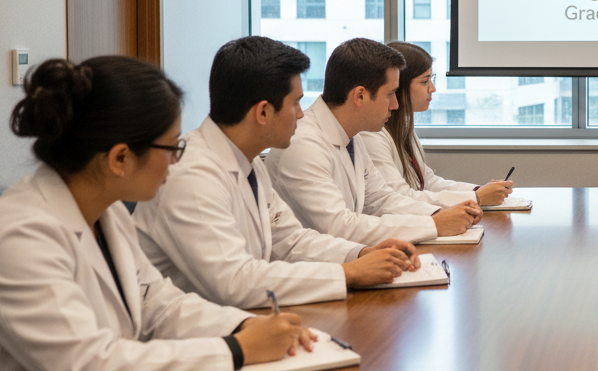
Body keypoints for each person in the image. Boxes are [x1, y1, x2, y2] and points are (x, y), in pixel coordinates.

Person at [0, 56, 312, 371]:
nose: (177, 161)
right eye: (172, 147)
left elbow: (158, 304)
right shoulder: (22, 233)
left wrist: (245, 325)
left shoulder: (106, 210)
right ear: (119, 158)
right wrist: (236, 350)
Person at [134, 37, 422, 310]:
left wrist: (359, 255)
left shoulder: (247, 161)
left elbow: (291, 240)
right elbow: (234, 282)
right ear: (263, 113)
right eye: (295, 103)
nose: (301, 114)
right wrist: (347, 273)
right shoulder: (192, 175)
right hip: (188, 336)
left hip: (236, 318)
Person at [266, 38, 480, 245]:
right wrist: (433, 224)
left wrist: (439, 214)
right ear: (360, 96)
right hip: (311, 270)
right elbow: (340, 225)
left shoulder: (352, 136)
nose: (395, 105)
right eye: (391, 94)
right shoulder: (303, 144)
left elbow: (382, 199)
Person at [360, 41, 513, 208]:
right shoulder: (372, 135)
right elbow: (399, 197)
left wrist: (479, 191)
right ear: (399, 85)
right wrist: (476, 197)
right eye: (425, 81)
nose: (432, 89)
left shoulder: (402, 126)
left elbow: (428, 182)